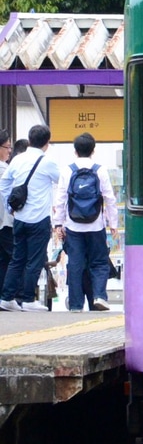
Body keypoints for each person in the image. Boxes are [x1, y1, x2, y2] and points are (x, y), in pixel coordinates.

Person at [0, 125, 64, 312]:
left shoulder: (17, 160)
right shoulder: (47, 162)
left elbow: (4, 184)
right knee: (34, 260)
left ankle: (6, 298)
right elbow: (62, 182)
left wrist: (9, 207)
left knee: (17, 259)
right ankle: (28, 299)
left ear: (29, 139)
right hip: (39, 219)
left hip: (19, 218)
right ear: (47, 142)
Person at [53, 132, 120, 312]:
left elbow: (60, 199)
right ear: (93, 150)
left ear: (75, 151)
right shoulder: (100, 170)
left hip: (73, 226)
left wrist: (58, 224)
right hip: (96, 225)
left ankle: (75, 305)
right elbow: (109, 198)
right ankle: (99, 296)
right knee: (98, 262)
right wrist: (113, 224)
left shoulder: (68, 170)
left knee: (75, 264)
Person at [0, 131, 12, 293]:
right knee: (13, 259)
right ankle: (10, 296)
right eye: (7, 147)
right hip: (5, 223)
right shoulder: (3, 169)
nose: (10, 151)